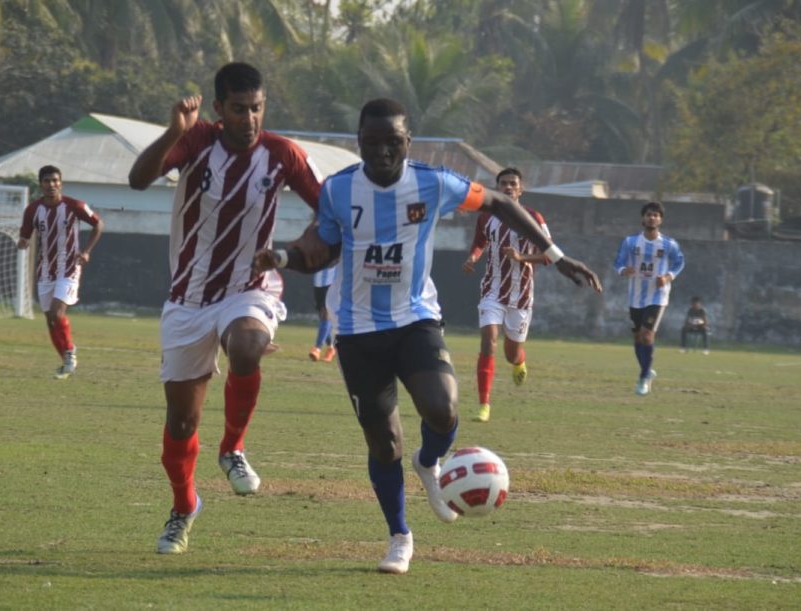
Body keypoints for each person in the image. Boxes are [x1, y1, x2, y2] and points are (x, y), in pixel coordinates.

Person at [252, 98, 602, 574]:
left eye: (392, 142)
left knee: (443, 409)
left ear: (408, 142)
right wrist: (284, 258)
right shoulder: (337, 190)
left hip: (415, 317)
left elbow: (499, 201)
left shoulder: (432, 182)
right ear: (360, 142)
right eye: (371, 143)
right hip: (357, 329)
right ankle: (399, 536)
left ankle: (430, 460)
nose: (382, 152)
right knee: (383, 444)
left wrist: (556, 256)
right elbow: (322, 247)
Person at [127, 62, 323, 555]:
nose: (250, 118)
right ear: (219, 109)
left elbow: (330, 210)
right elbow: (137, 179)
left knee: (249, 345)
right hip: (188, 300)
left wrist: (294, 251)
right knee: (181, 424)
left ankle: (233, 447)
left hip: (249, 288)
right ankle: (183, 507)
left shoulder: (282, 155)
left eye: (257, 108)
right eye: (239, 109)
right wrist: (174, 130)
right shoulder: (197, 142)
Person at [462, 167, 551, 423]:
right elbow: (480, 242)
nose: (508, 187)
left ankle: (519, 362)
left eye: (513, 183)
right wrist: (472, 257)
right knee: (488, 339)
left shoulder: (534, 217)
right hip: (492, 291)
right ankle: (484, 404)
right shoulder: (486, 217)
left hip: (521, 296)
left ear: (521, 189)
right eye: (504, 183)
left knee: (511, 352)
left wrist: (523, 257)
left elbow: (550, 255)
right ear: (497, 188)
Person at [17, 165, 104, 380]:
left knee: (57, 313)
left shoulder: (75, 205)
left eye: (55, 180)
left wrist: (85, 251)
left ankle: (70, 353)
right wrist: (23, 242)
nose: (51, 185)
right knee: (50, 320)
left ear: (61, 183)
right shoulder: (33, 210)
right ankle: (66, 361)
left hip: (69, 268)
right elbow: (25, 235)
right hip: (45, 270)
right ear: (41, 184)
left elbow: (98, 224)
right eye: (47, 181)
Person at [614, 201, 685, 396]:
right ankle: (646, 369)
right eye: (648, 214)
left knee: (647, 334)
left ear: (660, 219)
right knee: (638, 336)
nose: (652, 218)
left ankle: (644, 377)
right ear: (642, 218)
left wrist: (668, 276)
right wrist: (623, 270)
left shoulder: (669, 244)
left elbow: (679, 262)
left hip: (657, 296)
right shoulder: (630, 242)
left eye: (655, 215)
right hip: (635, 296)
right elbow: (618, 262)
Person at [308, 265, 337, 362]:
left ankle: (317, 348)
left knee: (326, 313)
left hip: (333, 280)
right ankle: (331, 348)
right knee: (322, 317)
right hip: (318, 282)